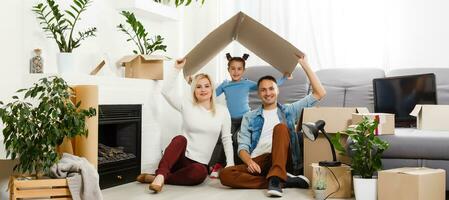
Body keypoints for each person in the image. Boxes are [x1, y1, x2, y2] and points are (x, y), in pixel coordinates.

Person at [219, 54, 326, 197]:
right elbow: (243, 146)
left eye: (271, 89)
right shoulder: (249, 117)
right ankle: (281, 180)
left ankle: (276, 177)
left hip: (281, 159)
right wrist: (249, 161)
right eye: (263, 90)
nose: (267, 93)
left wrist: (305, 64)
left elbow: (319, 93)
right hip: (259, 162)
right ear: (258, 93)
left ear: (277, 90)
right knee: (225, 175)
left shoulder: (288, 110)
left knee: (281, 128)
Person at [136, 58, 234, 193]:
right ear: (194, 90)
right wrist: (176, 68)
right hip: (179, 158)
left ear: (212, 88)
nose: (203, 89)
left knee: (200, 174)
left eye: (206, 86)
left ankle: (157, 177)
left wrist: (230, 164)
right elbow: (166, 91)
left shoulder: (222, 111)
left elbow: (227, 139)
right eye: (198, 87)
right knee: (180, 139)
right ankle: (160, 176)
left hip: (198, 164)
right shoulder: (187, 105)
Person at [209, 53, 289, 178]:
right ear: (228, 70)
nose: (236, 72)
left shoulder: (247, 83)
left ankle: (237, 163)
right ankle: (218, 164)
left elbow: (268, 86)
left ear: (243, 70)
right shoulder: (225, 85)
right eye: (233, 68)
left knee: (237, 139)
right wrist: (192, 83)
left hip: (244, 119)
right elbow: (211, 95)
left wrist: (284, 78)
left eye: (239, 69)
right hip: (229, 119)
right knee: (222, 138)